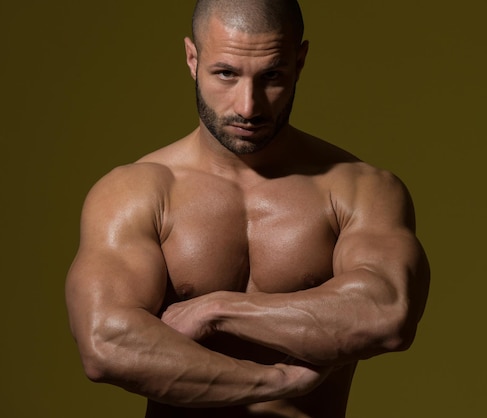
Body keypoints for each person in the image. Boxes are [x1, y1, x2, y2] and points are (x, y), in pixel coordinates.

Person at [65, 0, 430, 417]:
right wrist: (275, 381)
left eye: (272, 76)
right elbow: (106, 344)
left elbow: (387, 313)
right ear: (192, 58)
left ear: (300, 60)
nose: (248, 107)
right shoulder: (136, 192)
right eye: (226, 74)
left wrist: (216, 309)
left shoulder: (360, 189)